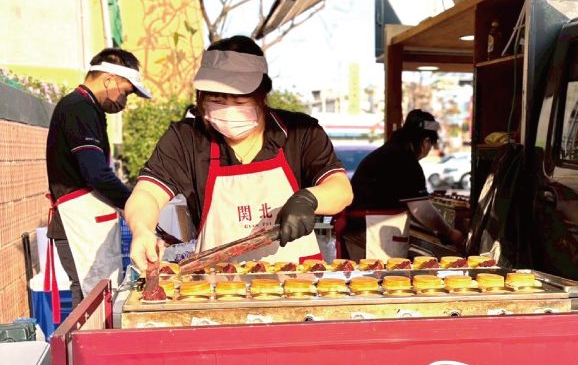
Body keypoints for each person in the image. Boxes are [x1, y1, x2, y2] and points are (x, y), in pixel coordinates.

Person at [126, 35, 353, 270]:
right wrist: (142, 230)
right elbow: (147, 193)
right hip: (214, 281)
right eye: (216, 99)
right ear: (200, 98)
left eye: (240, 100)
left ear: (263, 95)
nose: (228, 109)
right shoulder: (186, 139)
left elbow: (340, 189)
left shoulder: (299, 132)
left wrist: (309, 199)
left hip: (297, 279)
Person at [45, 48, 152, 312]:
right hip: (77, 219)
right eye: (126, 92)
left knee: (92, 296)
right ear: (108, 80)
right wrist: (135, 204)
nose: (124, 102)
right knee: (90, 300)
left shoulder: (86, 108)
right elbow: (96, 173)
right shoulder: (78, 108)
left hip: (83, 218)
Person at [337, 110, 466, 260]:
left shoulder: (387, 152)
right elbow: (421, 210)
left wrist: (438, 229)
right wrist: (450, 233)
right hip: (372, 231)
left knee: (362, 273)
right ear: (426, 142)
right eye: (431, 145)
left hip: (356, 229)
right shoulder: (406, 160)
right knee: (380, 274)